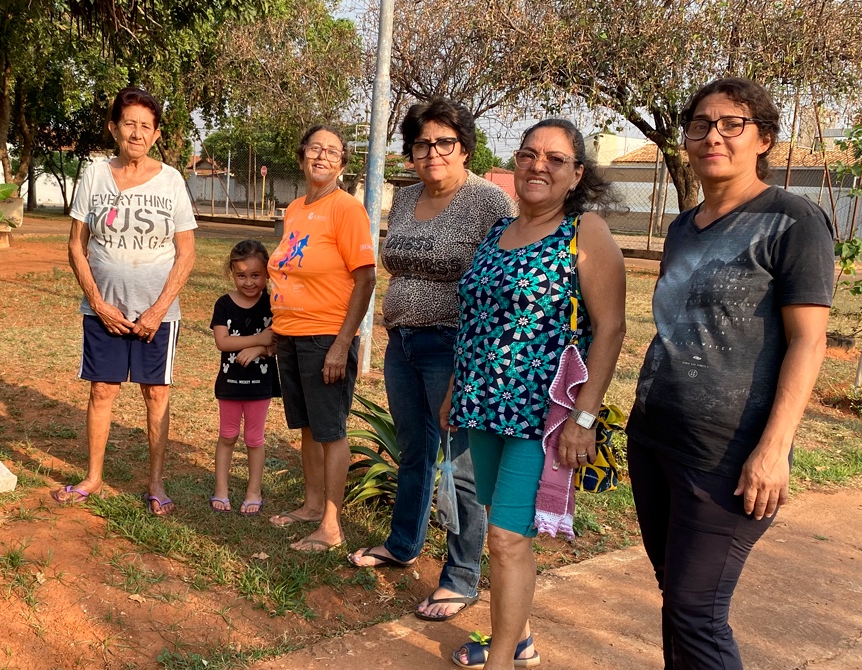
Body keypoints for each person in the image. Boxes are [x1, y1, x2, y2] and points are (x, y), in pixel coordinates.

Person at [626, 78, 833, 670]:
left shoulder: (793, 220)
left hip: (727, 455)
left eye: (731, 124)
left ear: (763, 138)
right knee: (677, 600)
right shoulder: (681, 227)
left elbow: (808, 340)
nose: (712, 135)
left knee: (697, 612)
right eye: (700, 125)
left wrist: (775, 449)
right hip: (655, 438)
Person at [441, 119, 627, 669]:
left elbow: (611, 328)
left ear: (576, 175)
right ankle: (517, 640)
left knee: (505, 539)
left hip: (539, 417)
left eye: (555, 158)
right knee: (503, 524)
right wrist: (457, 387)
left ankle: (502, 660)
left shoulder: (584, 230)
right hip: (483, 405)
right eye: (527, 154)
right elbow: (475, 319)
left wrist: (584, 418)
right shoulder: (497, 230)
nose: (538, 165)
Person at [347, 98, 515, 622]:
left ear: (464, 148)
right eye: (422, 143)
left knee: (462, 465)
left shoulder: (489, 203)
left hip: (456, 345)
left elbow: (503, 280)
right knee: (416, 452)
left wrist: (473, 359)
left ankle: (462, 577)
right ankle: (403, 544)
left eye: (445, 142)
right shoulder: (406, 197)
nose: (433, 152)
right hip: (403, 343)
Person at [55, 87, 197, 516]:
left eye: (146, 127)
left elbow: (187, 251)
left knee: (156, 394)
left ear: (156, 135)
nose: (137, 133)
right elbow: (76, 246)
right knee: (102, 390)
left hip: (158, 314)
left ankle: (156, 483)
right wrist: (98, 303)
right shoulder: (94, 174)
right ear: (114, 128)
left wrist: (157, 310)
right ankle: (94, 477)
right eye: (129, 123)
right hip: (104, 310)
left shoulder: (171, 180)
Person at [267, 124, 376, 552]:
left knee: (330, 430)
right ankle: (312, 506)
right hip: (291, 335)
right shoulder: (295, 208)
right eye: (315, 148)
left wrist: (342, 343)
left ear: (342, 163)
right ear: (301, 156)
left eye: (333, 151)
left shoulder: (346, 208)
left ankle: (331, 525)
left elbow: (365, 278)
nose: (323, 157)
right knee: (309, 427)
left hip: (325, 336)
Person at [210, 240, 281, 516]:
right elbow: (221, 342)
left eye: (256, 275)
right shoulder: (224, 304)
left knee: (255, 439)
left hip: (260, 387)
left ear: (267, 274)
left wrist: (260, 348)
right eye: (241, 275)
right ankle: (221, 489)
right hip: (229, 385)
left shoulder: (273, 304)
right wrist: (258, 339)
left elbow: (277, 342)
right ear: (232, 273)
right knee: (227, 436)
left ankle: (254, 491)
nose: (249, 282)